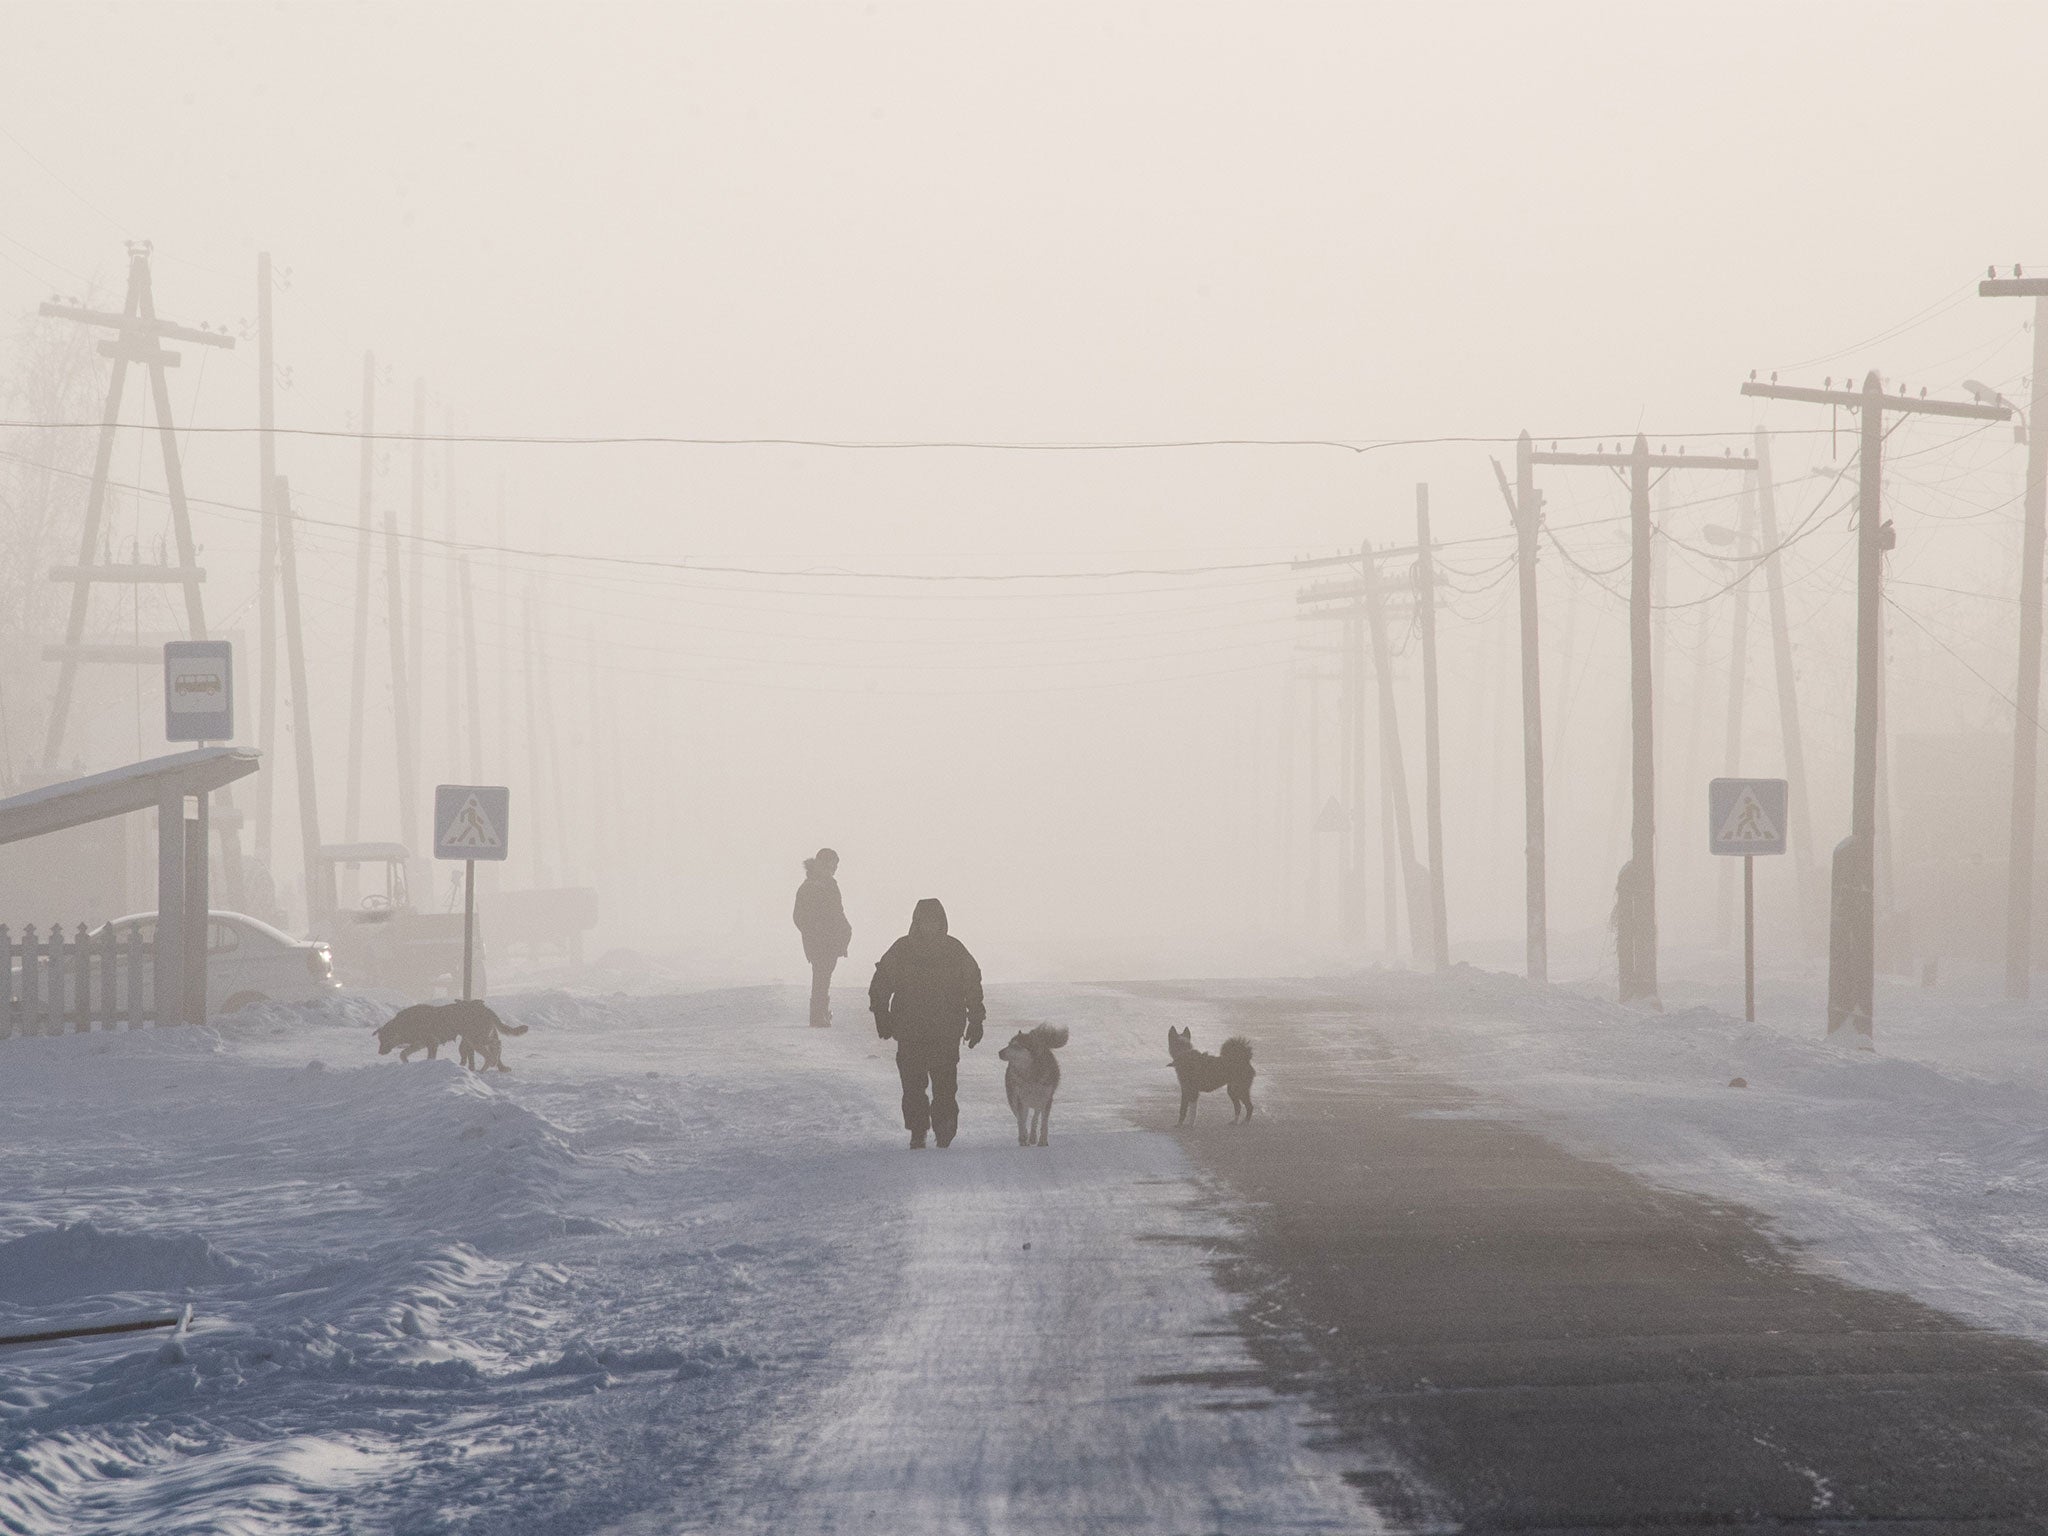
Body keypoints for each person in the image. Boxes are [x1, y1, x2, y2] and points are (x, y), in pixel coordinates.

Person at [868, 898, 985, 1149]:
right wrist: (881, 1013)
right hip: (910, 1031)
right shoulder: (902, 949)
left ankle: (945, 1129)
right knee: (913, 1087)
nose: (930, 926)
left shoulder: (954, 950)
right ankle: (918, 1130)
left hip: (946, 1032)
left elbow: (972, 983)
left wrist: (976, 1018)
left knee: (945, 1086)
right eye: (925, 921)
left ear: (942, 922)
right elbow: (882, 981)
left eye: (935, 921)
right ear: (917, 922)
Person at [792, 848, 852, 1027]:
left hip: (831, 939)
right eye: (831, 866)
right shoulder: (809, 887)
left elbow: (838, 912)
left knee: (824, 976)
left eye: (835, 866)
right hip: (819, 941)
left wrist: (845, 930)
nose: (834, 869)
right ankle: (818, 1015)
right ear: (822, 864)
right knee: (821, 975)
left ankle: (820, 1013)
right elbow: (799, 917)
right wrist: (813, 932)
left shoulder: (830, 885)